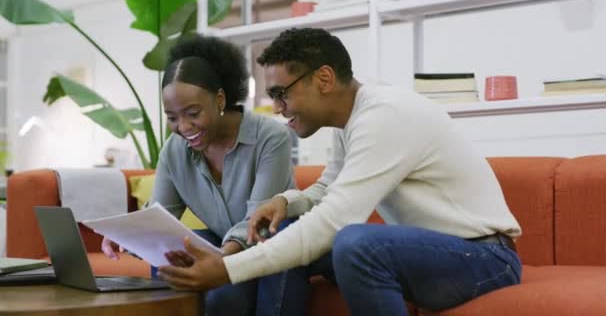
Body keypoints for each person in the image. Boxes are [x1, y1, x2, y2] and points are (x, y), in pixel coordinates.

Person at [157, 28, 523, 316]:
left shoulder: (385, 116)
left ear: (325, 78)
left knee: (354, 243)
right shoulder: (353, 119)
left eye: (282, 93)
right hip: (429, 254)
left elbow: (335, 221)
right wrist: (286, 200)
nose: (278, 107)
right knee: (280, 232)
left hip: (483, 258)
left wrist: (227, 270)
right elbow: (327, 189)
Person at [101, 34, 299, 316]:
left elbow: (257, 223)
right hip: (222, 244)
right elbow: (161, 214)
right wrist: (130, 234)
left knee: (221, 299)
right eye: (172, 117)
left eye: (192, 113)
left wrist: (218, 263)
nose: (183, 127)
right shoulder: (175, 149)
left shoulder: (271, 137)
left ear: (220, 99)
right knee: (173, 252)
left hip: (266, 246)